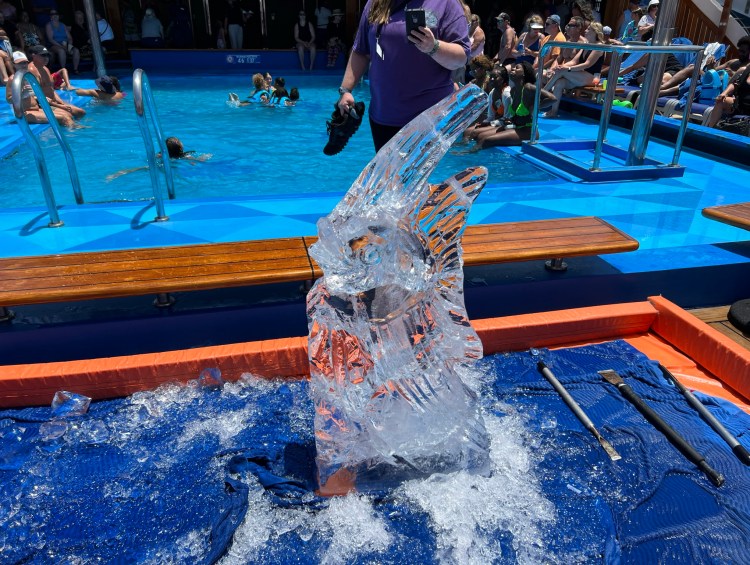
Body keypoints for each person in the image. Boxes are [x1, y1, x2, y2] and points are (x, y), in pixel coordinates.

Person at [336, 0, 471, 152]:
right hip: (383, 115)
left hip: (428, 118)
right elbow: (361, 50)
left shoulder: (446, 3)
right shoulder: (376, 3)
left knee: (414, 175)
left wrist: (433, 47)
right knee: (387, 175)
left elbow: (461, 57)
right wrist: (346, 90)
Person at [471, 61, 556, 149]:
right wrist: (491, 123)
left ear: (524, 74)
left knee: (486, 140)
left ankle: (468, 154)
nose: (513, 69)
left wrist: (535, 107)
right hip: (515, 126)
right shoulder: (513, 90)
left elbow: (552, 98)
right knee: (479, 136)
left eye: (517, 68)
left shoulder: (528, 87)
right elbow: (514, 116)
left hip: (527, 131)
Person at [543, 21, 605, 118]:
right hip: (580, 75)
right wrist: (560, 67)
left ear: (595, 31)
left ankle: (541, 94)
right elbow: (574, 61)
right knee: (560, 83)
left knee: (561, 71)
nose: (586, 30)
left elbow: (586, 65)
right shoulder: (587, 44)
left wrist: (567, 68)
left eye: (589, 29)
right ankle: (553, 111)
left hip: (591, 77)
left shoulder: (599, 46)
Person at [5, 51, 76, 126]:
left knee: (68, 114)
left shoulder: (27, 77)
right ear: (13, 64)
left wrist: (40, 97)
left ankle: (71, 131)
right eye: (20, 63)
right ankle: (73, 135)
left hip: (35, 109)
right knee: (64, 118)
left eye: (25, 62)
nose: (23, 65)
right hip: (25, 112)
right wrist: (22, 93)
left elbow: (31, 95)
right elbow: (9, 99)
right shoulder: (14, 80)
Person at [106, 136, 209, 181]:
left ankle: (118, 173)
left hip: (162, 164)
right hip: (176, 165)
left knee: (142, 168)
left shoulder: (160, 155)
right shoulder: (185, 156)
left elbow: (154, 157)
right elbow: (197, 162)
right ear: (181, 148)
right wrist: (205, 156)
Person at [28, 45, 85, 119]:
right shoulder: (31, 71)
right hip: (43, 104)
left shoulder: (45, 68)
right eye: (43, 55)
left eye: (47, 55)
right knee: (68, 116)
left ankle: (76, 128)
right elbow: (35, 96)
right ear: (34, 56)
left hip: (53, 102)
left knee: (81, 112)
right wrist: (60, 106)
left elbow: (51, 89)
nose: (46, 58)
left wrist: (61, 102)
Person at [45, 10, 80, 74]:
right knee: (61, 51)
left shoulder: (63, 25)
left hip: (64, 43)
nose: (55, 15)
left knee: (76, 50)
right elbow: (51, 39)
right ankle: (63, 70)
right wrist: (62, 46)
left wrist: (69, 46)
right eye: (53, 14)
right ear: (50, 16)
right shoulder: (49, 25)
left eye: (56, 14)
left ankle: (75, 69)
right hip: (54, 44)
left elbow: (70, 38)